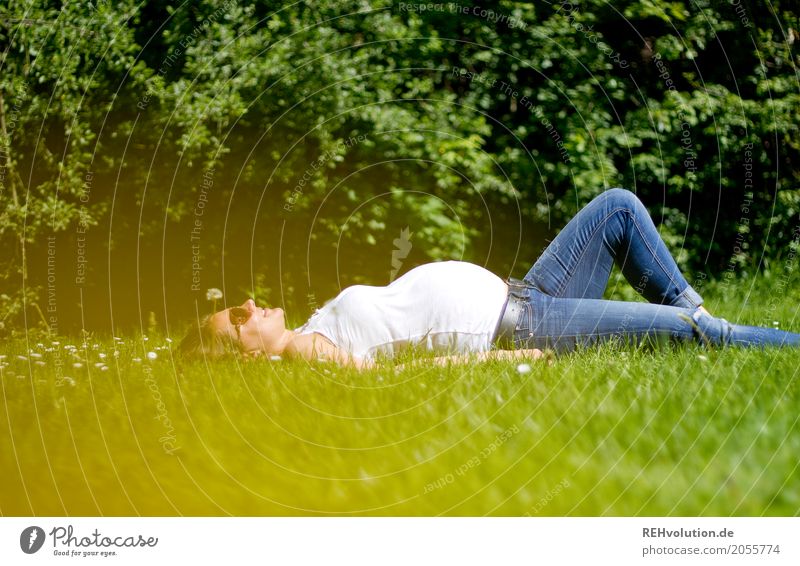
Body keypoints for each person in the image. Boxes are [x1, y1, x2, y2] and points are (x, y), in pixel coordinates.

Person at [179, 188, 800, 369]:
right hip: (516, 323)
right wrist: (502, 362)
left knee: (618, 208)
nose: (247, 305)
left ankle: (702, 315)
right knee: (684, 334)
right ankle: (761, 342)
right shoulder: (309, 355)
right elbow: (405, 376)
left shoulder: (312, 327)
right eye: (236, 320)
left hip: (524, 294)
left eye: (237, 306)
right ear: (244, 359)